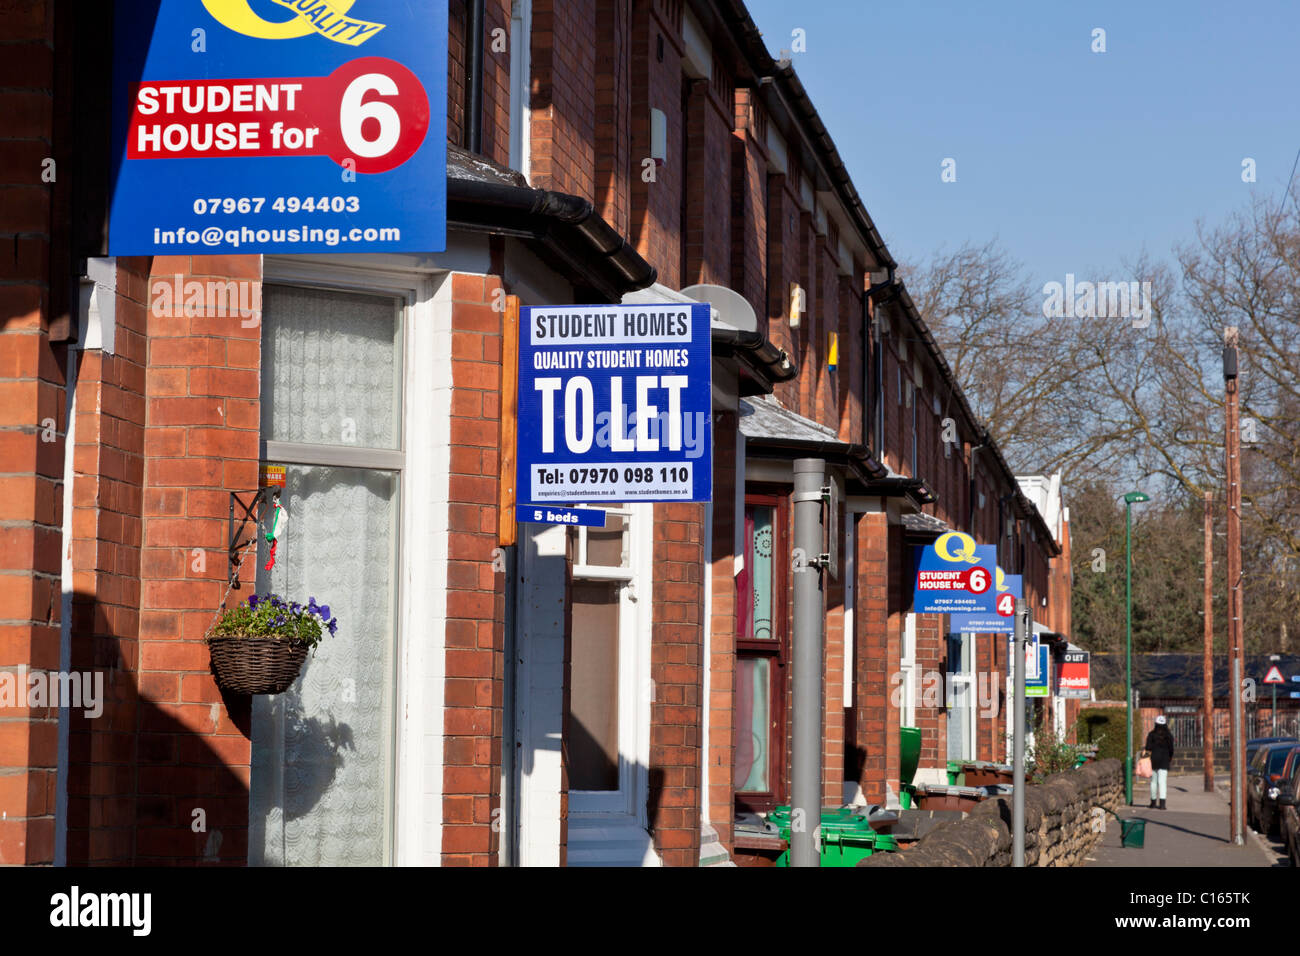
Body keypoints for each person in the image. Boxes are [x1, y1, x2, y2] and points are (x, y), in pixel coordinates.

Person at [1143, 715, 1175, 809]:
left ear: (1156, 724)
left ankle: (1153, 802)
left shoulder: (1151, 734)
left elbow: (1148, 748)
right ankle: (1162, 804)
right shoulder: (1169, 735)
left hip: (1153, 759)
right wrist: (1170, 757)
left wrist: (1145, 758)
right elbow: (1171, 749)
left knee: (1153, 782)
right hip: (1164, 759)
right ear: (1165, 724)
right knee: (1162, 782)